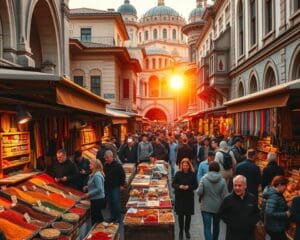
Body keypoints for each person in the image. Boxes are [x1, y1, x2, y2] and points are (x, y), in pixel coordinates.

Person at [218, 175, 260, 240]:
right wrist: (231, 223)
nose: (237, 188)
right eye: (235, 185)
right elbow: (221, 213)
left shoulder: (252, 198)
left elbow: (257, 213)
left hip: (248, 235)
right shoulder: (228, 199)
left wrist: (251, 223)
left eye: (240, 185)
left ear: (245, 186)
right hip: (232, 236)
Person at [197, 162, 228, 240]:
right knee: (216, 226)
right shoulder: (222, 180)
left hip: (205, 207)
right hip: (218, 207)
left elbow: (199, 192)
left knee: (207, 227)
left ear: (209, 169)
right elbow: (225, 195)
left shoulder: (204, 178)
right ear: (218, 169)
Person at [172, 158, 198, 240]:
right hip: (180, 197)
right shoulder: (178, 173)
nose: (185, 167)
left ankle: (187, 231)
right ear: (181, 166)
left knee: (188, 216)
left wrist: (189, 187)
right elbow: (173, 184)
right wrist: (179, 186)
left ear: (189, 165)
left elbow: (196, 185)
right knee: (180, 215)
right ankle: (180, 231)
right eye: (183, 165)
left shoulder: (192, 174)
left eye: (186, 165)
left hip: (189, 197)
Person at [263, 176, 290, 240]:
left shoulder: (276, 194)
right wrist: (286, 214)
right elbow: (269, 213)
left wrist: (285, 204)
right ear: (280, 185)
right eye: (285, 186)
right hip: (275, 228)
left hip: (274, 226)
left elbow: (275, 205)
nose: (286, 188)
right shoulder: (274, 196)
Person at [103, 150, 126, 223]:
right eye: (105, 158)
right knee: (110, 203)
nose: (106, 159)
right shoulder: (105, 165)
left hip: (116, 187)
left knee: (116, 203)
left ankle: (118, 218)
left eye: (107, 158)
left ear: (111, 157)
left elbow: (123, 175)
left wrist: (122, 185)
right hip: (107, 187)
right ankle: (112, 217)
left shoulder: (118, 165)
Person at [82, 159, 105, 225]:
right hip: (95, 199)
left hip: (97, 200)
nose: (89, 165)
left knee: (97, 219)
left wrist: (88, 194)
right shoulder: (94, 174)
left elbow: (99, 189)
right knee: (97, 217)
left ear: (95, 165)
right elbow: (94, 185)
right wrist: (87, 187)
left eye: (91, 164)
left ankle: (99, 231)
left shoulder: (97, 175)